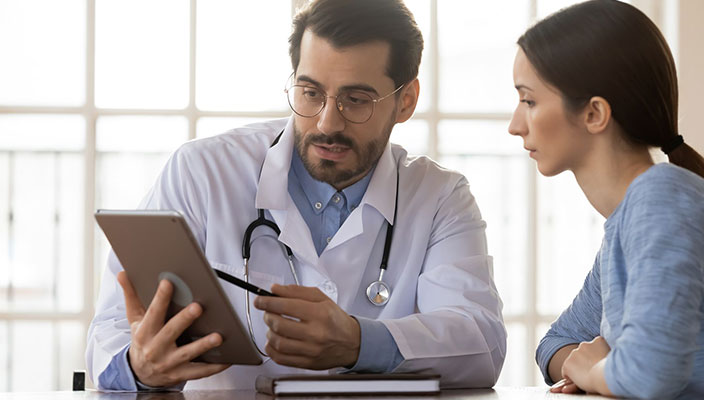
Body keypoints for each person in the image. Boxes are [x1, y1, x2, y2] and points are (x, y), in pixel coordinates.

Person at [86, 0, 506, 391]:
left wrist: (359, 342)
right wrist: (139, 368)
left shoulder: (440, 197)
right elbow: (110, 336)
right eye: (310, 93)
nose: (326, 122)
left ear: (405, 101)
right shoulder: (202, 172)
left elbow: (481, 344)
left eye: (355, 100)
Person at [507, 0, 704, 398]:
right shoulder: (626, 226)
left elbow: (648, 375)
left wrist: (599, 370)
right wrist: (603, 365)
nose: (515, 125)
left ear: (594, 114)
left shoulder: (663, 199)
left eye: (529, 101)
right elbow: (553, 346)